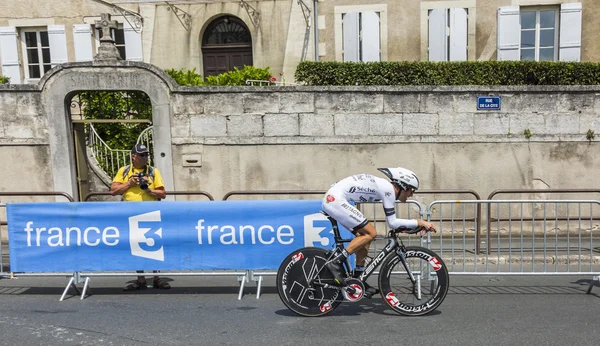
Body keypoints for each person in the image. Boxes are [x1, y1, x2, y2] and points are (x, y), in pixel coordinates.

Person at [322, 167, 436, 298]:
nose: (411, 194)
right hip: (335, 200)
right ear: (402, 186)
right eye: (411, 190)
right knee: (371, 233)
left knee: (364, 237)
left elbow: (393, 223)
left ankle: (359, 279)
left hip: (335, 198)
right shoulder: (388, 190)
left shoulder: (385, 187)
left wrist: (411, 226)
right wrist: (419, 222)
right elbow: (392, 223)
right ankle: (335, 262)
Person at [110, 143, 170, 291]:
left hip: (151, 212)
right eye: (142, 155)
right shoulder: (124, 171)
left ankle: (156, 277)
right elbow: (113, 191)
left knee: (154, 244)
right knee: (135, 245)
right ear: (133, 156)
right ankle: (140, 279)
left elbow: (162, 193)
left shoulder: (153, 171)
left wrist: (149, 190)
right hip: (130, 213)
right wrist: (129, 184)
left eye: (146, 155)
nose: (145, 158)